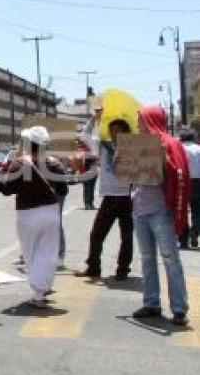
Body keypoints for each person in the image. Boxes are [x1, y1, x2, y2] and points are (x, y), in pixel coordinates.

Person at [131, 106, 190, 326]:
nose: (139, 125)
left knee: (170, 258)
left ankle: (179, 308)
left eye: (142, 121)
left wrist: (164, 160)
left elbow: (179, 175)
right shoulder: (137, 144)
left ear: (151, 120)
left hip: (160, 211)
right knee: (147, 258)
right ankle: (151, 303)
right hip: (139, 209)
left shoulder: (170, 143)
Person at [1, 126, 69, 309]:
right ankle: (43, 288)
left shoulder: (19, 164)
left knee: (30, 254)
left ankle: (39, 293)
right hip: (50, 212)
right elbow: (64, 190)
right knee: (48, 253)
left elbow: (6, 190)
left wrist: (6, 170)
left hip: (27, 214)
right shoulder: (54, 163)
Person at [76, 110, 134, 280]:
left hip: (128, 198)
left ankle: (123, 269)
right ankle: (93, 267)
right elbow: (85, 137)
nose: (115, 134)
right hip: (109, 198)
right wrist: (94, 118)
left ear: (126, 132)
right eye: (113, 130)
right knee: (96, 235)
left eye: (119, 130)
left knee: (127, 237)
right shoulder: (103, 146)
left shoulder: (133, 147)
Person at [178, 129, 200, 249]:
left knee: (182, 211)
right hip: (197, 182)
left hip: (181, 181)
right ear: (193, 138)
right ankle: (195, 231)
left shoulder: (178, 148)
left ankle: (183, 240)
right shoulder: (199, 149)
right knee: (197, 210)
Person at [80, 143, 99, 210]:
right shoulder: (89, 154)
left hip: (85, 173)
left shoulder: (82, 153)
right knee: (90, 188)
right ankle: (88, 204)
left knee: (88, 189)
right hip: (89, 173)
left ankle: (89, 204)